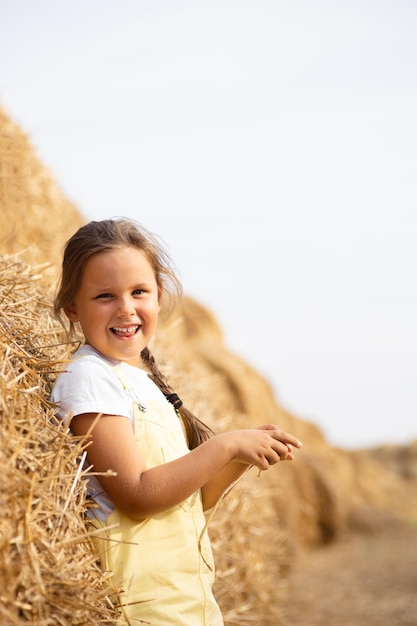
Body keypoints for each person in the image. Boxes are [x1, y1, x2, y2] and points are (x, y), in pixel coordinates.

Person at [50, 218, 302, 625]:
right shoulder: (90, 380)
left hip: (187, 604)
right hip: (138, 607)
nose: (126, 308)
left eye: (138, 292)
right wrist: (226, 445)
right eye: (104, 296)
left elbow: (190, 501)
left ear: (159, 296)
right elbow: (136, 494)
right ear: (72, 307)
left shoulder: (145, 383)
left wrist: (239, 458)